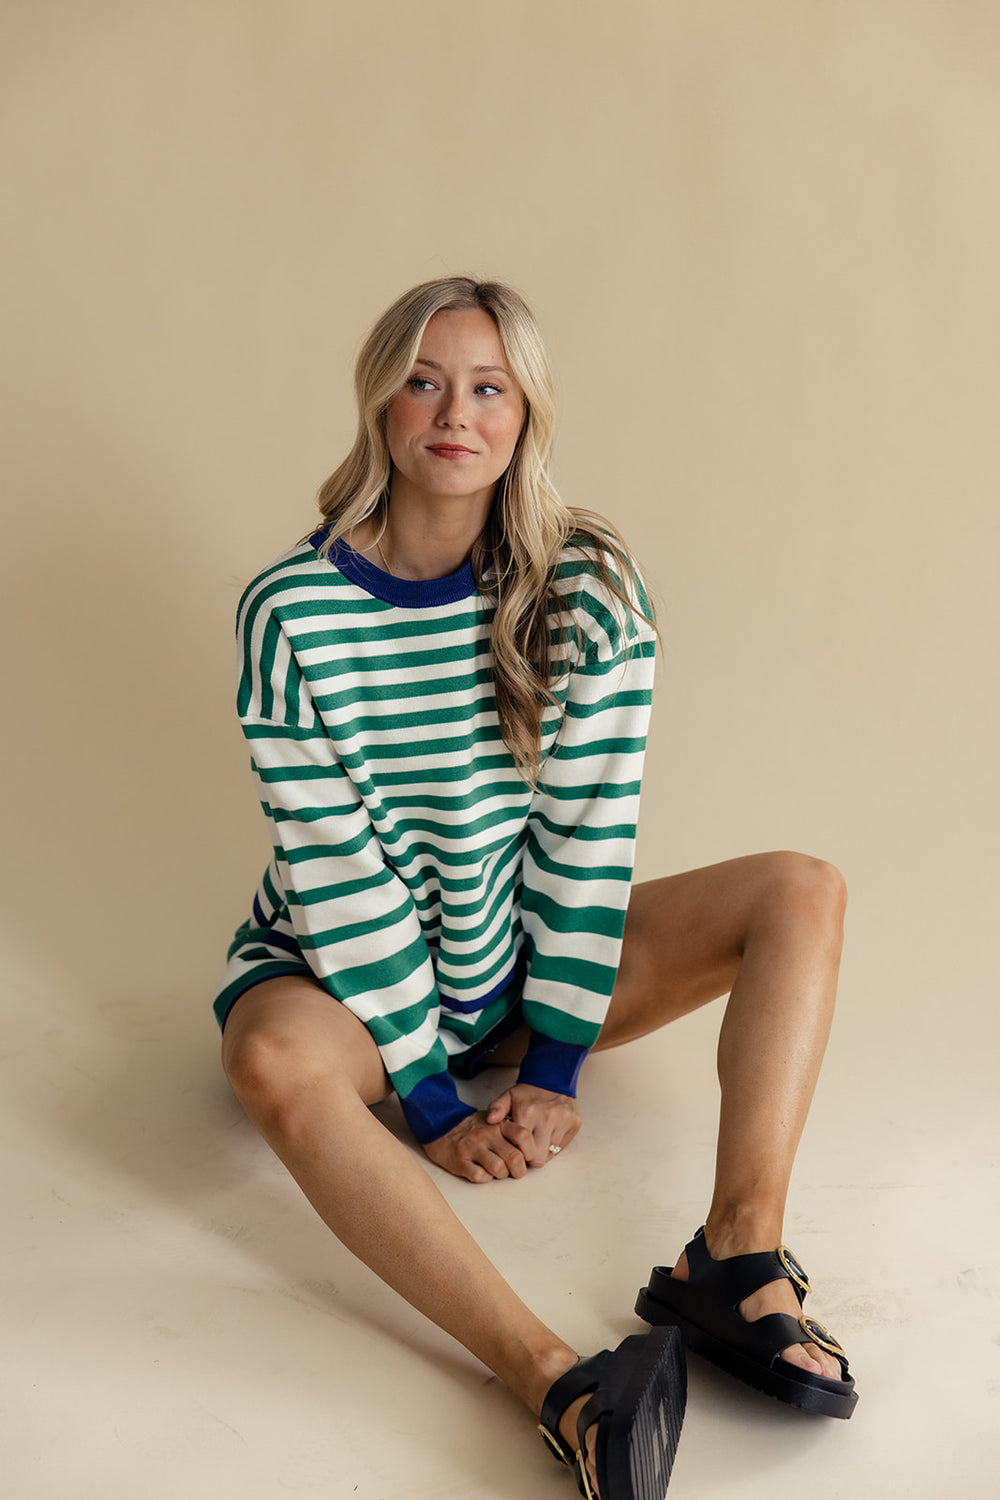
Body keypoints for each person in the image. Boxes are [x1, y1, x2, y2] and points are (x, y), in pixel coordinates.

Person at [214, 276, 857, 1500]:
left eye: (488, 387)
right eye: (424, 381)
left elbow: (585, 837)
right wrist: (426, 1097)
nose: (455, 413)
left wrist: (554, 1064)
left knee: (802, 890)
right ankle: (562, 1387)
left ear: (526, 416)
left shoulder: (587, 587)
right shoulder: (291, 614)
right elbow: (337, 872)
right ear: (381, 403)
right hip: (347, 983)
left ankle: (734, 1260)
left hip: (516, 964)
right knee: (267, 1063)